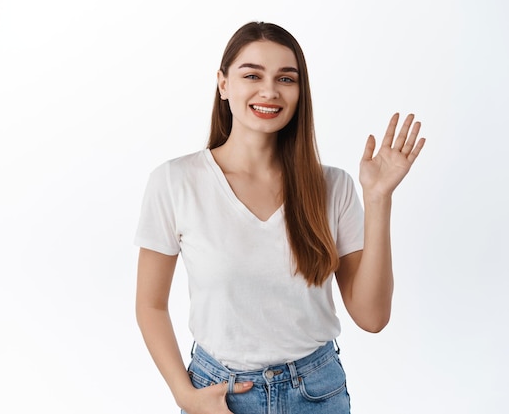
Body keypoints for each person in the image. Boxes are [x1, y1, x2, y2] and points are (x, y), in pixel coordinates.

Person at [134, 21, 425, 414]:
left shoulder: (331, 186)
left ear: (300, 91)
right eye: (252, 74)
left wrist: (377, 198)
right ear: (223, 84)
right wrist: (184, 394)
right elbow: (150, 305)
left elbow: (372, 317)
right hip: (218, 395)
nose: (269, 91)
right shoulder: (175, 182)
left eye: (286, 78)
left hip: (316, 395)